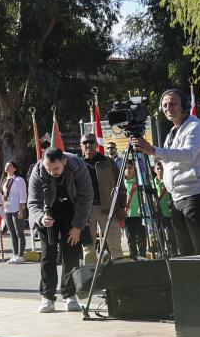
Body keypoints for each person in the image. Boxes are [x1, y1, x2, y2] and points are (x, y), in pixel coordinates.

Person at [131, 90, 200, 255]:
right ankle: (191, 281)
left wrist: (153, 150)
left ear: (184, 105)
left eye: (172, 104)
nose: (168, 108)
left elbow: (188, 154)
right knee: (185, 253)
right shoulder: (172, 131)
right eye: (164, 105)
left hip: (196, 196)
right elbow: (169, 159)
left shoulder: (196, 126)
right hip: (177, 198)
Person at [27, 147, 94, 313]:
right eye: (49, 169)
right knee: (48, 255)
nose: (52, 172)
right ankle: (47, 297)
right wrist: (41, 218)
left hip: (72, 210)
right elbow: (33, 202)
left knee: (71, 253)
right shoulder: (38, 170)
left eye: (56, 168)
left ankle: (69, 295)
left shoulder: (77, 166)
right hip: (47, 212)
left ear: (64, 161)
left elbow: (86, 197)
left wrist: (78, 226)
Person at [80, 134, 124, 263]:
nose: (88, 145)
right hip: (85, 212)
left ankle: (120, 276)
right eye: (85, 142)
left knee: (115, 245)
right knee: (88, 248)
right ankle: (91, 279)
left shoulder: (108, 162)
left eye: (91, 142)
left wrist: (121, 206)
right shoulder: (78, 164)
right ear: (81, 145)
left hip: (108, 209)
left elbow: (119, 185)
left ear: (96, 144)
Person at [1, 162, 28, 264]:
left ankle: (21, 255)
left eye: (10, 166)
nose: (7, 167)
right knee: (12, 233)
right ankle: (15, 254)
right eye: (6, 166)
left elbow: (22, 196)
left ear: (15, 169)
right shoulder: (5, 180)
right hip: (8, 209)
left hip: (17, 209)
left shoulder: (18, 180)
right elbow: (4, 195)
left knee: (19, 233)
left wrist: (21, 210)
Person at [120, 161, 148, 259]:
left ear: (134, 169)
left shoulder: (140, 182)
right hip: (126, 216)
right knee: (130, 239)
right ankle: (133, 258)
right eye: (126, 168)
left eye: (130, 167)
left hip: (139, 215)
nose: (127, 170)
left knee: (141, 238)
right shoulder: (121, 183)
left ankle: (142, 258)